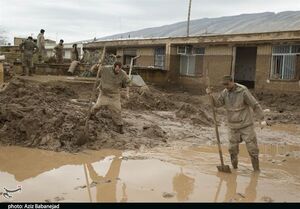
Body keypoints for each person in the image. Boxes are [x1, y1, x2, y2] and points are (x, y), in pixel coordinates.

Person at [206, 75, 267, 171]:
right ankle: (235, 169)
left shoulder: (243, 91)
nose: (226, 86)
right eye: (224, 85)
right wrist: (210, 95)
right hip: (232, 126)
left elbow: (254, 105)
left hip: (246, 125)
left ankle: (256, 170)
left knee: (252, 149)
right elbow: (217, 104)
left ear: (232, 81)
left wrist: (262, 119)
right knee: (232, 150)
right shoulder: (225, 93)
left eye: (227, 84)